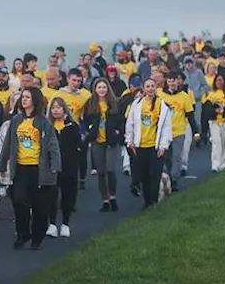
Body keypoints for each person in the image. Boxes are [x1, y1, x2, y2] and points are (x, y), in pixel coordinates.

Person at [0, 87, 62, 250]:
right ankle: (22, 234)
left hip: (39, 169)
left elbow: (53, 146)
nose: (24, 99)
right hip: (20, 168)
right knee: (19, 202)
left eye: (27, 97)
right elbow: (7, 145)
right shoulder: (16, 120)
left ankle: (37, 237)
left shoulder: (43, 122)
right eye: (23, 97)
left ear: (35, 100)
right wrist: (2, 164)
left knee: (39, 206)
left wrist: (55, 166)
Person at [125, 79, 174, 209]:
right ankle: (147, 202)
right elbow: (130, 124)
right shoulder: (136, 104)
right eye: (148, 86)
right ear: (143, 89)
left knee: (155, 175)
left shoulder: (162, 105)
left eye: (153, 86)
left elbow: (166, 127)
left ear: (156, 88)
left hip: (155, 146)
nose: (150, 88)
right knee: (144, 175)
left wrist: (163, 146)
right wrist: (130, 141)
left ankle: (154, 201)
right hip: (140, 146)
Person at [82, 78, 123, 212]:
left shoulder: (115, 103)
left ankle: (113, 197)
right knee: (101, 172)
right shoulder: (90, 103)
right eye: (99, 87)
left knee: (110, 169)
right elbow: (85, 120)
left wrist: (117, 132)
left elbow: (121, 120)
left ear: (108, 89)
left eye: (104, 87)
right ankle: (105, 200)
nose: (102, 90)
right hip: (96, 140)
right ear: (95, 89)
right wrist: (89, 130)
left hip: (111, 140)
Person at [47, 96, 80, 237]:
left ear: (64, 109)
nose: (56, 110)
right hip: (51, 167)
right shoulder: (47, 126)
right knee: (51, 196)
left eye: (58, 107)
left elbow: (79, 146)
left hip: (69, 167)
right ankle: (52, 224)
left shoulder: (72, 127)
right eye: (53, 107)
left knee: (67, 196)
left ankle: (65, 224)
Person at [203, 74, 225, 173]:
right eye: (217, 80)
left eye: (221, 80)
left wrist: (223, 112)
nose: (219, 82)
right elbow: (207, 109)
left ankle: (224, 164)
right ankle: (215, 165)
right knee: (216, 142)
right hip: (214, 121)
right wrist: (215, 111)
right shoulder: (210, 94)